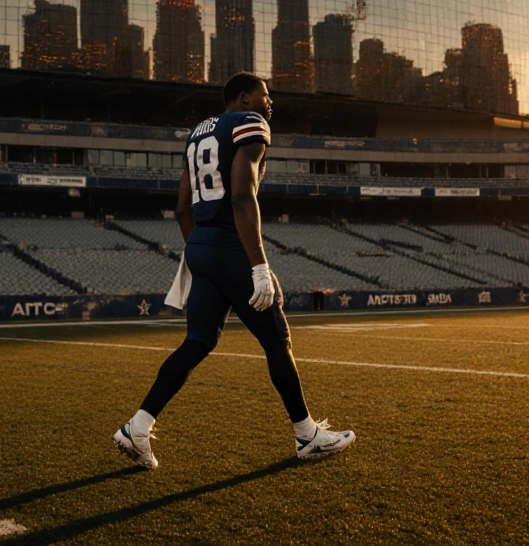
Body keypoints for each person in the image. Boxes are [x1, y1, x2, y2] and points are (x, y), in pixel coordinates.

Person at [113, 72, 355, 470]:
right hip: (229, 242)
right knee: (277, 340)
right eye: (265, 95)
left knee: (199, 342)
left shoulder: (196, 133)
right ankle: (308, 436)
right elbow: (242, 196)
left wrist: (199, 247)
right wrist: (258, 264)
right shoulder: (249, 123)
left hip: (201, 242)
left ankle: (137, 428)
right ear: (244, 98)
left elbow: (181, 207)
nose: (270, 102)